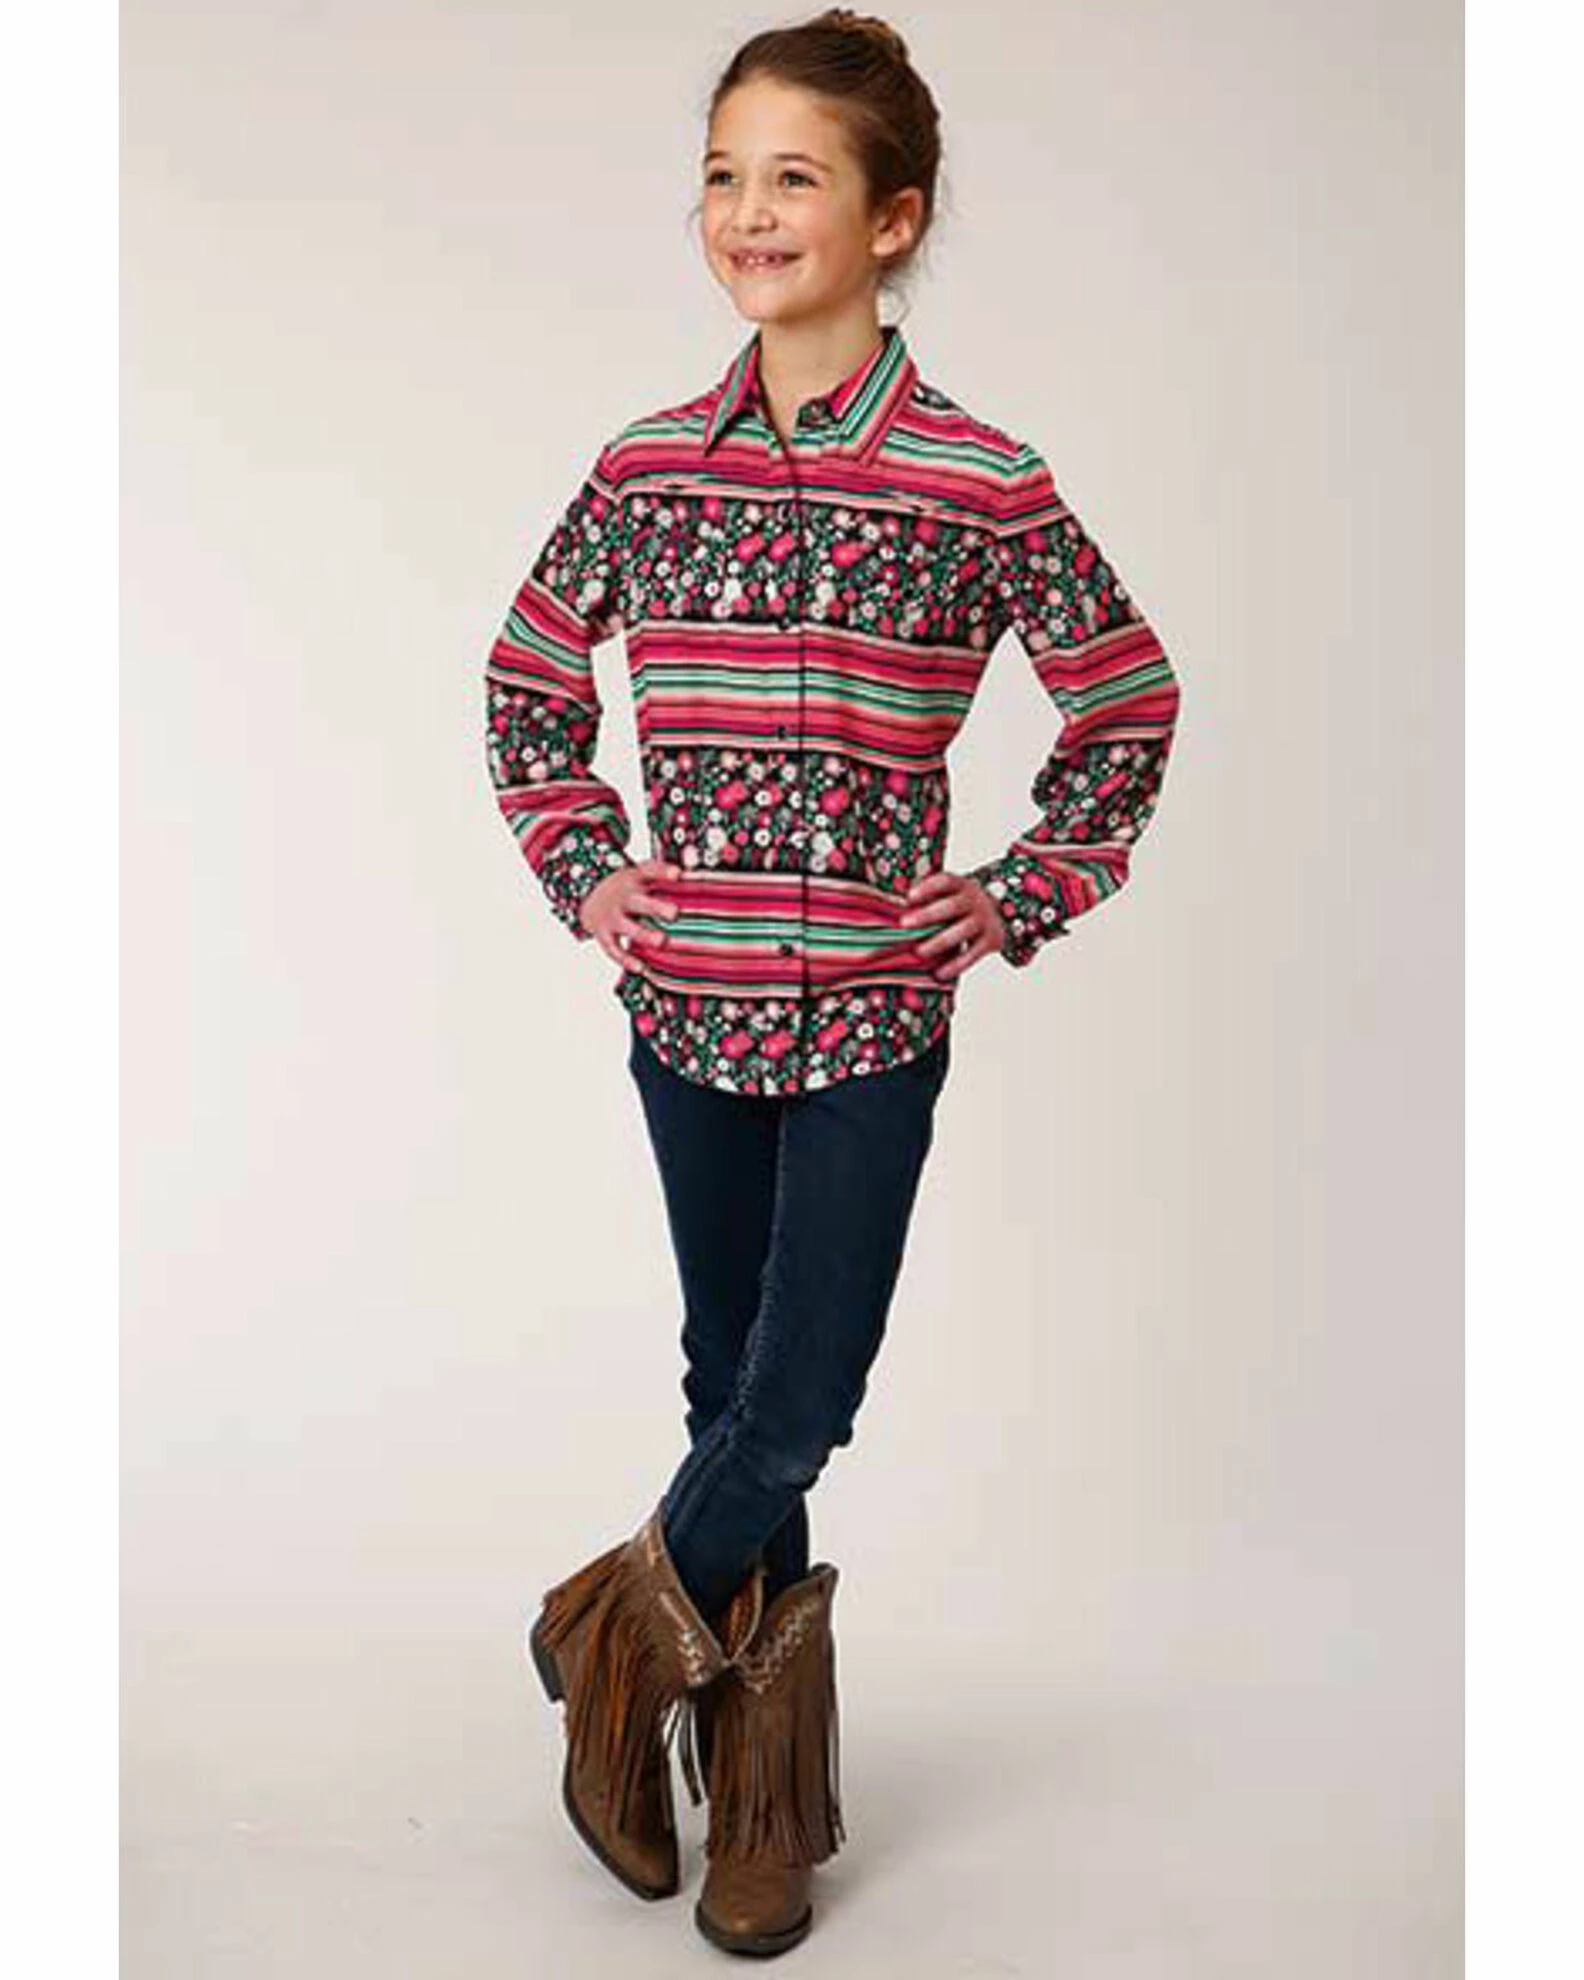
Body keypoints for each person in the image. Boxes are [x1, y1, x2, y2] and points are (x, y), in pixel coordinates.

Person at [489, 8, 1182, 1958]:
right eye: (722, 173)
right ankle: (760, 1810)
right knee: (728, 1380)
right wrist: (586, 867)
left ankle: (605, 1629)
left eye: (792, 175)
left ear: (895, 218)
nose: (746, 209)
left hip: (876, 1014)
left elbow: (1125, 702)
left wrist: (1021, 892)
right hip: (688, 1007)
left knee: (800, 1400)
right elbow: (527, 681)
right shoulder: (647, 468)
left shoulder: (979, 481)